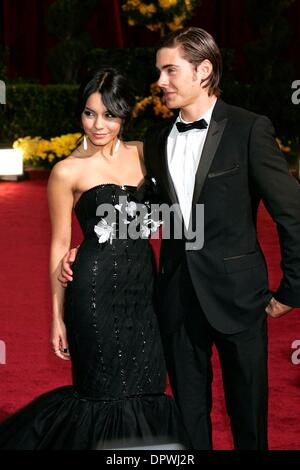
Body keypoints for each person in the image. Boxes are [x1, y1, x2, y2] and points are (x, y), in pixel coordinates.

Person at [60, 29, 300, 450]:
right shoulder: (155, 139)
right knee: (188, 418)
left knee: (249, 418)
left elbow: (292, 213)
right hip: (174, 296)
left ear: (203, 70)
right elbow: (151, 213)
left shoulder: (249, 129)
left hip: (239, 296)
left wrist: (293, 289)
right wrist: (95, 241)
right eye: (159, 72)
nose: (161, 81)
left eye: (170, 70)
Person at [0, 68, 188, 450]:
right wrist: (57, 316)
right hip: (94, 292)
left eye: (110, 114)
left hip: (143, 293)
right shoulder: (66, 170)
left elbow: (166, 213)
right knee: (102, 393)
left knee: (148, 387)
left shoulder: (145, 152)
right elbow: (58, 244)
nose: (98, 124)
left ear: (125, 114)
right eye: (90, 113)